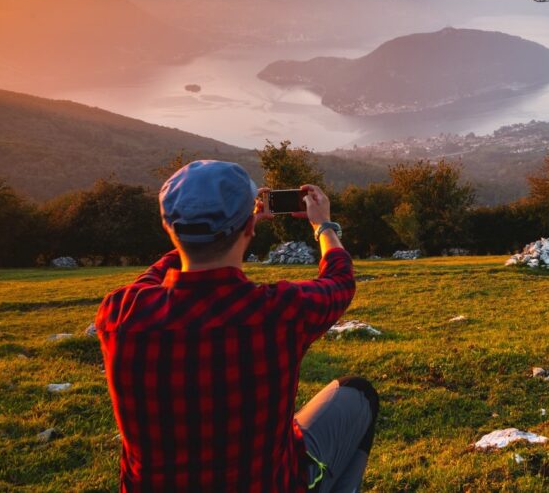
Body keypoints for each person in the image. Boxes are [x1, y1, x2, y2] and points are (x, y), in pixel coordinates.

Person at [95, 160, 377, 492]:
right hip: (268, 484)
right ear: (248, 228)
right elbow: (339, 279)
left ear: (168, 227)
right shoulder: (278, 313)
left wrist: (204, 233)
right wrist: (324, 226)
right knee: (359, 394)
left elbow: (151, 278)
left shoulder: (120, 315)